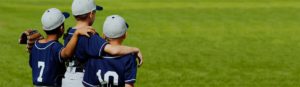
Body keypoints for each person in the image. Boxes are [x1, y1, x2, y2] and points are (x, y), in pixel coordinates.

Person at [62, 0, 143, 87]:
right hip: (81, 80)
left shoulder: (70, 33)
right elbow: (113, 50)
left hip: (67, 77)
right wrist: (135, 49)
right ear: (90, 14)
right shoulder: (90, 36)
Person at [29, 8, 95, 86]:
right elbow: (66, 53)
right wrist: (76, 34)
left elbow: (32, 64)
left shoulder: (35, 46)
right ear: (61, 28)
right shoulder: (55, 47)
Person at [83, 15, 138, 87]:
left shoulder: (94, 56)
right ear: (125, 35)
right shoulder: (129, 58)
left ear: (103, 35)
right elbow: (129, 85)